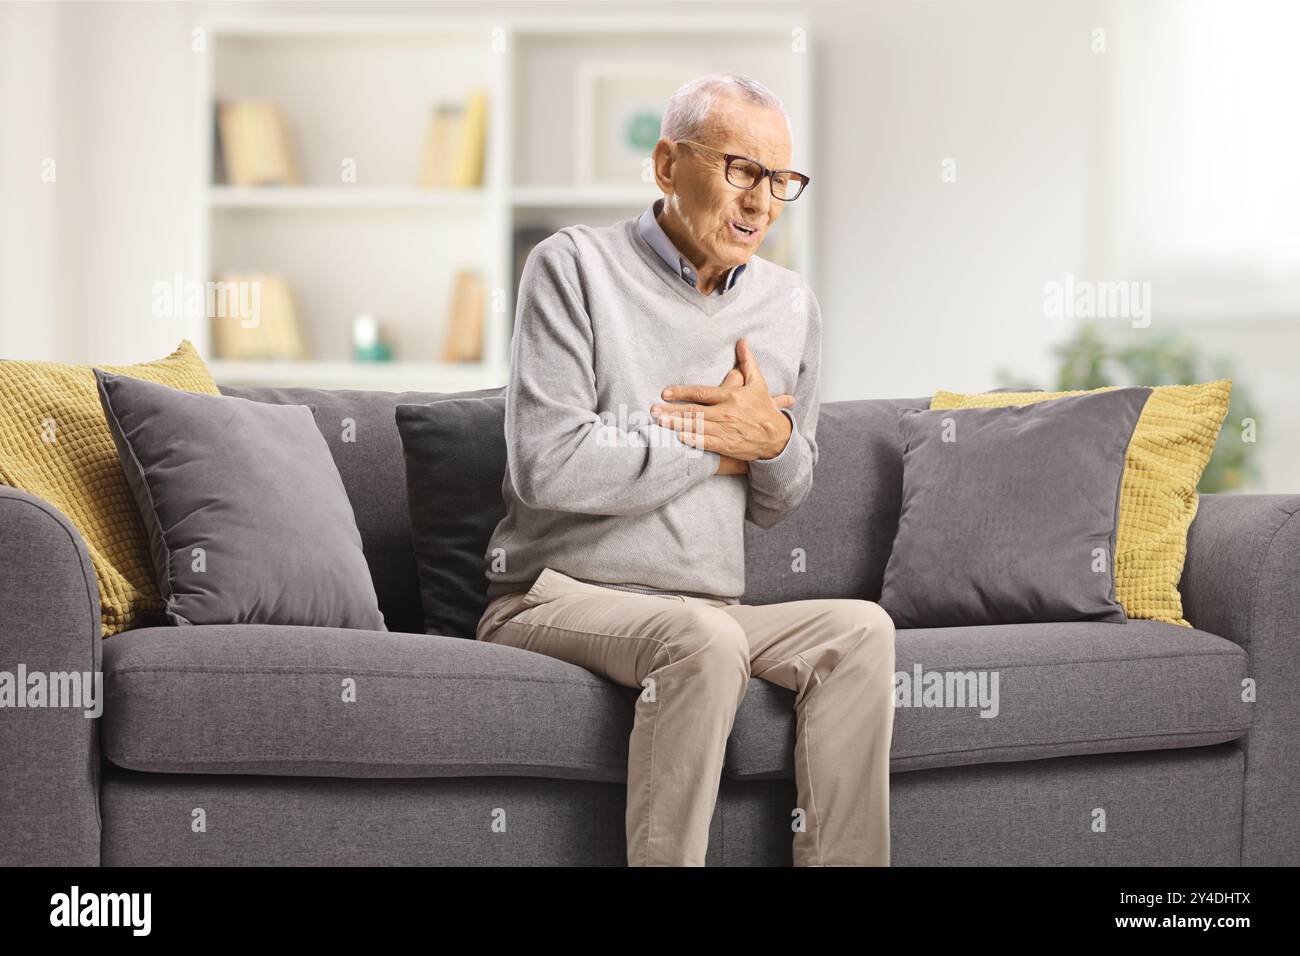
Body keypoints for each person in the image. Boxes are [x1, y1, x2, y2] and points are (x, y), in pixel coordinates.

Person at [477, 72, 895, 866]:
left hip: (706, 605)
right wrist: (716, 440)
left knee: (860, 630)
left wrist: (765, 445)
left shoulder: (789, 303)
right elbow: (548, 464)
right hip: (554, 597)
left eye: (780, 181)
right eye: (740, 169)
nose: (761, 202)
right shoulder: (572, 267)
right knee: (703, 638)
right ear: (668, 166)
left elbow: (785, 492)